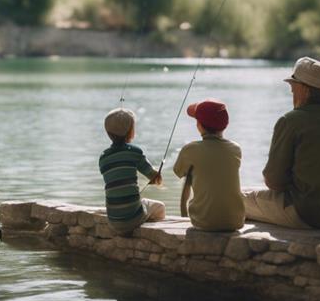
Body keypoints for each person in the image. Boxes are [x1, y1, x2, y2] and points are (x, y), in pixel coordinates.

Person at [242, 57, 320, 229]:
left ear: (304, 89)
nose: (291, 93)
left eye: (293, 87)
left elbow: (273, 181)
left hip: (307, 214)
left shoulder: (291, 121)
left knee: (234, 201)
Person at [172, 99, 245, 231]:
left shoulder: (190, 149)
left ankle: (184, 217)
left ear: (199, 125)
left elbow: (178, 171)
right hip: (236, 222)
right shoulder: (236, 149)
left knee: (191, 173)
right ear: (225, 125)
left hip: (203, 222)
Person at [98, 108, 165, 236]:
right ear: (131, 132)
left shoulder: (103, 157)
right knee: (159, 207)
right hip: (133, 218)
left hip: (113, 220)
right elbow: (153, 176)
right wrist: (157, 175)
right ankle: (146, 233)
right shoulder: (134, 152)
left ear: (108, 133)